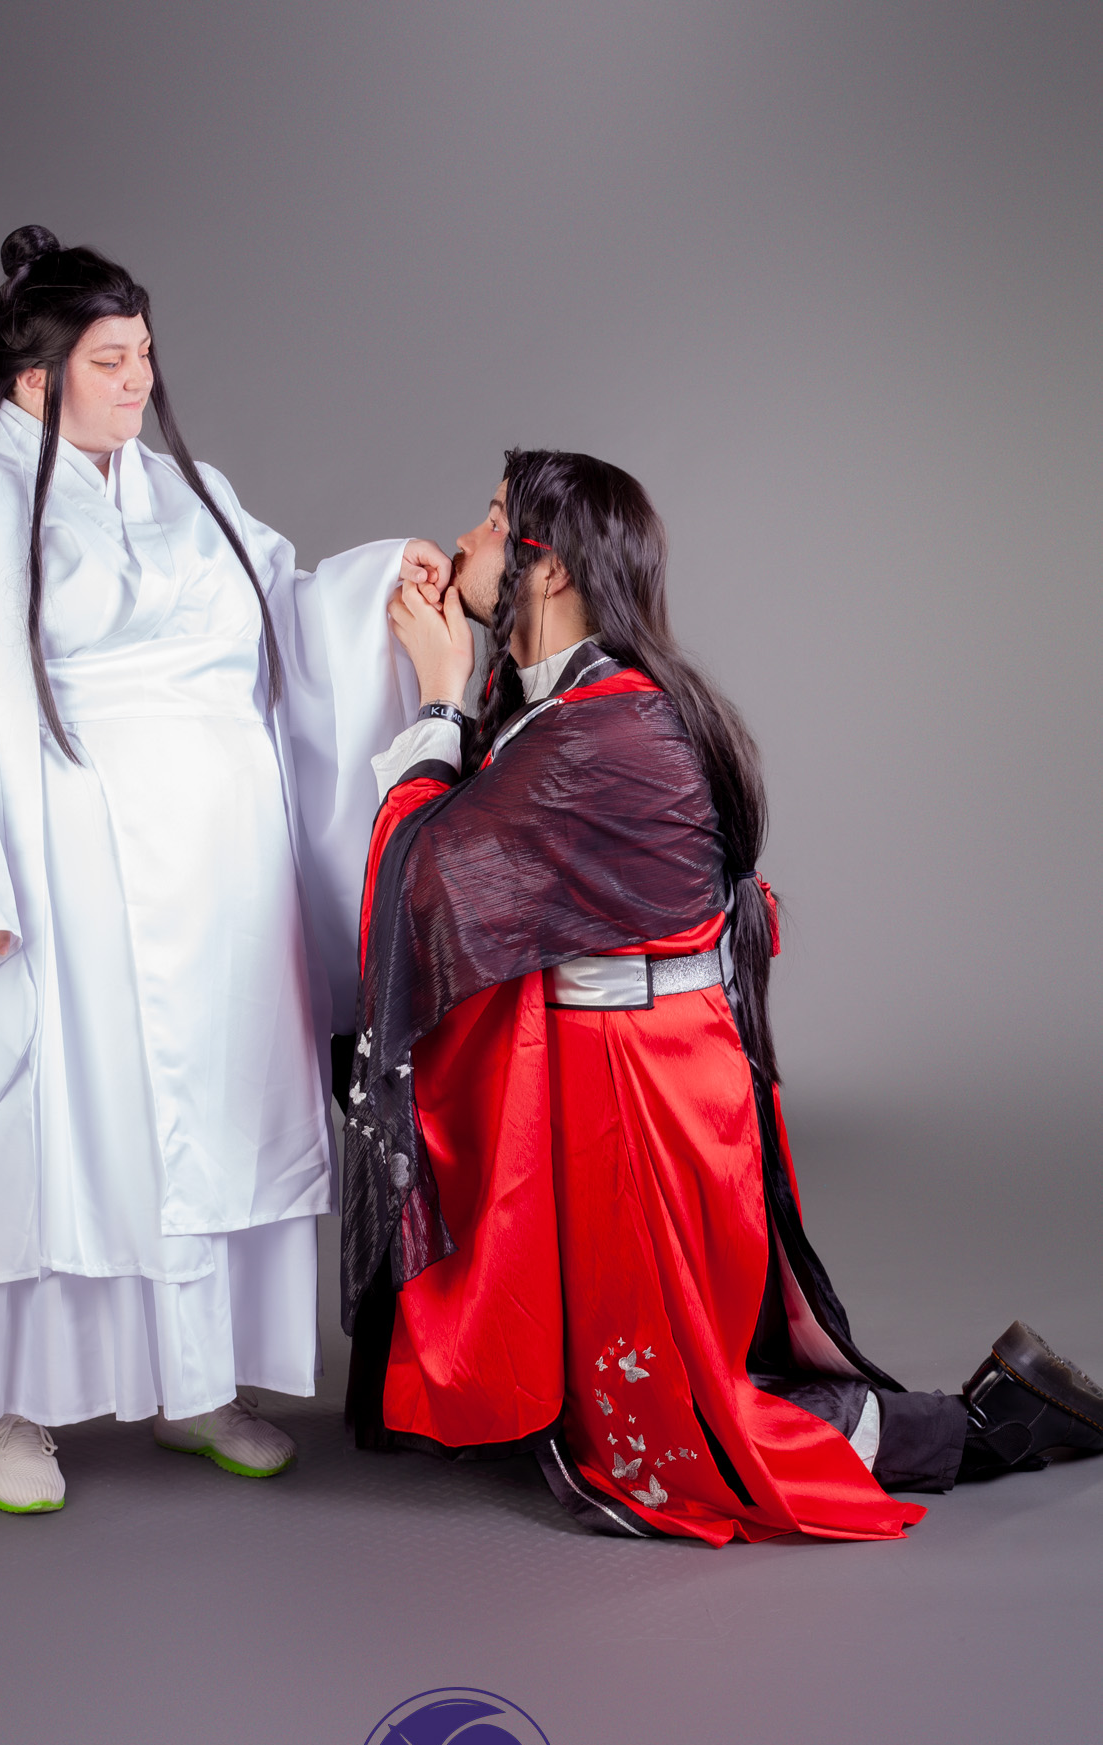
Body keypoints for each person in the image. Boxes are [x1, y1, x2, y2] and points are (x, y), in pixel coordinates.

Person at [339, 447, 1103, 1545]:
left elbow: (424, 883)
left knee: (670, 1420)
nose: (467, 539)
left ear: (550, 568)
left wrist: (435, 696)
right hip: (617, 1073)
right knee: (636, 1378)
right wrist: (454, 685)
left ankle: (993, 1421)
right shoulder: (570, 709)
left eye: (493, 521)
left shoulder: (608, 729)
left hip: (638, 1094)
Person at [0, 225, 448, 1514]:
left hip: (223, 884)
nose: (139, 379)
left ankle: (197, 1384)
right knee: (60, 1131)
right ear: (34, 378)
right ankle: (18, 1406)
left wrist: (372, 587)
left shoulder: (192, 493)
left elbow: (287, 619)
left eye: (145, 353)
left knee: (215, 1122)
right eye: (110, 360)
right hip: (61, 881)